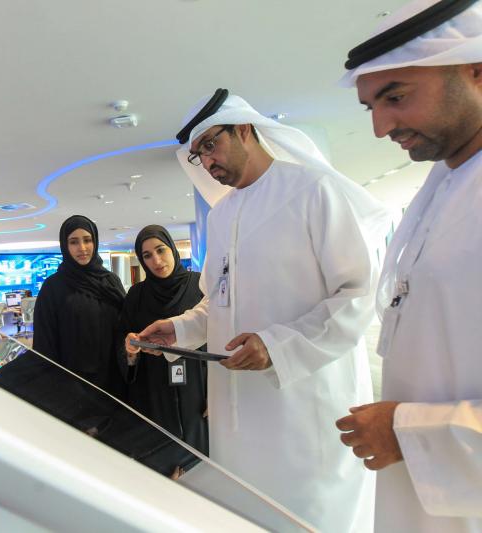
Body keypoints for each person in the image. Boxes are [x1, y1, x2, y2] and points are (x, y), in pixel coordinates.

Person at [138, 90, 391, 531]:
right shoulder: (220, 217)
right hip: (236, 417)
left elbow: (357, 293)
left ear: (244, 129)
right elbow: (218, 301)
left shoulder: (314, 191)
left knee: (312, 517)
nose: (207, 162)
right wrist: (178, 330)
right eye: (197, 156)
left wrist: (277, 346)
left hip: (303, 407)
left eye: (210, 146)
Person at [335, 1, 482, 531]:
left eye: (395, 97)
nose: (380, 128)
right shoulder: (445, 182)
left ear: (477, 71)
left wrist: (412, 431)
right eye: (371, 106)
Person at [120, 225, 208, 475]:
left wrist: (217, 392)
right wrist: (129, 348)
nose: (156, 260)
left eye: (161, 250)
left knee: (202, 461)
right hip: (154, 390)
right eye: (147, 255)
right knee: (163, 459)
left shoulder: (199, 286)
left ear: (172, 249)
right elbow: (124, 342)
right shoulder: (137, 295)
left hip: (198, 387)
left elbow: (220, 337)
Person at [32, 215, 126, 398]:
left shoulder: (110, 281)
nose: (82, 248)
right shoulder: (53, 287)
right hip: (75, 387)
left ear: (95, 242)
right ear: (65, 246)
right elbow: (45, 346)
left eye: (87, 240)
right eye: (74, 242)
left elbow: (125, 324)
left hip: (115, 382)